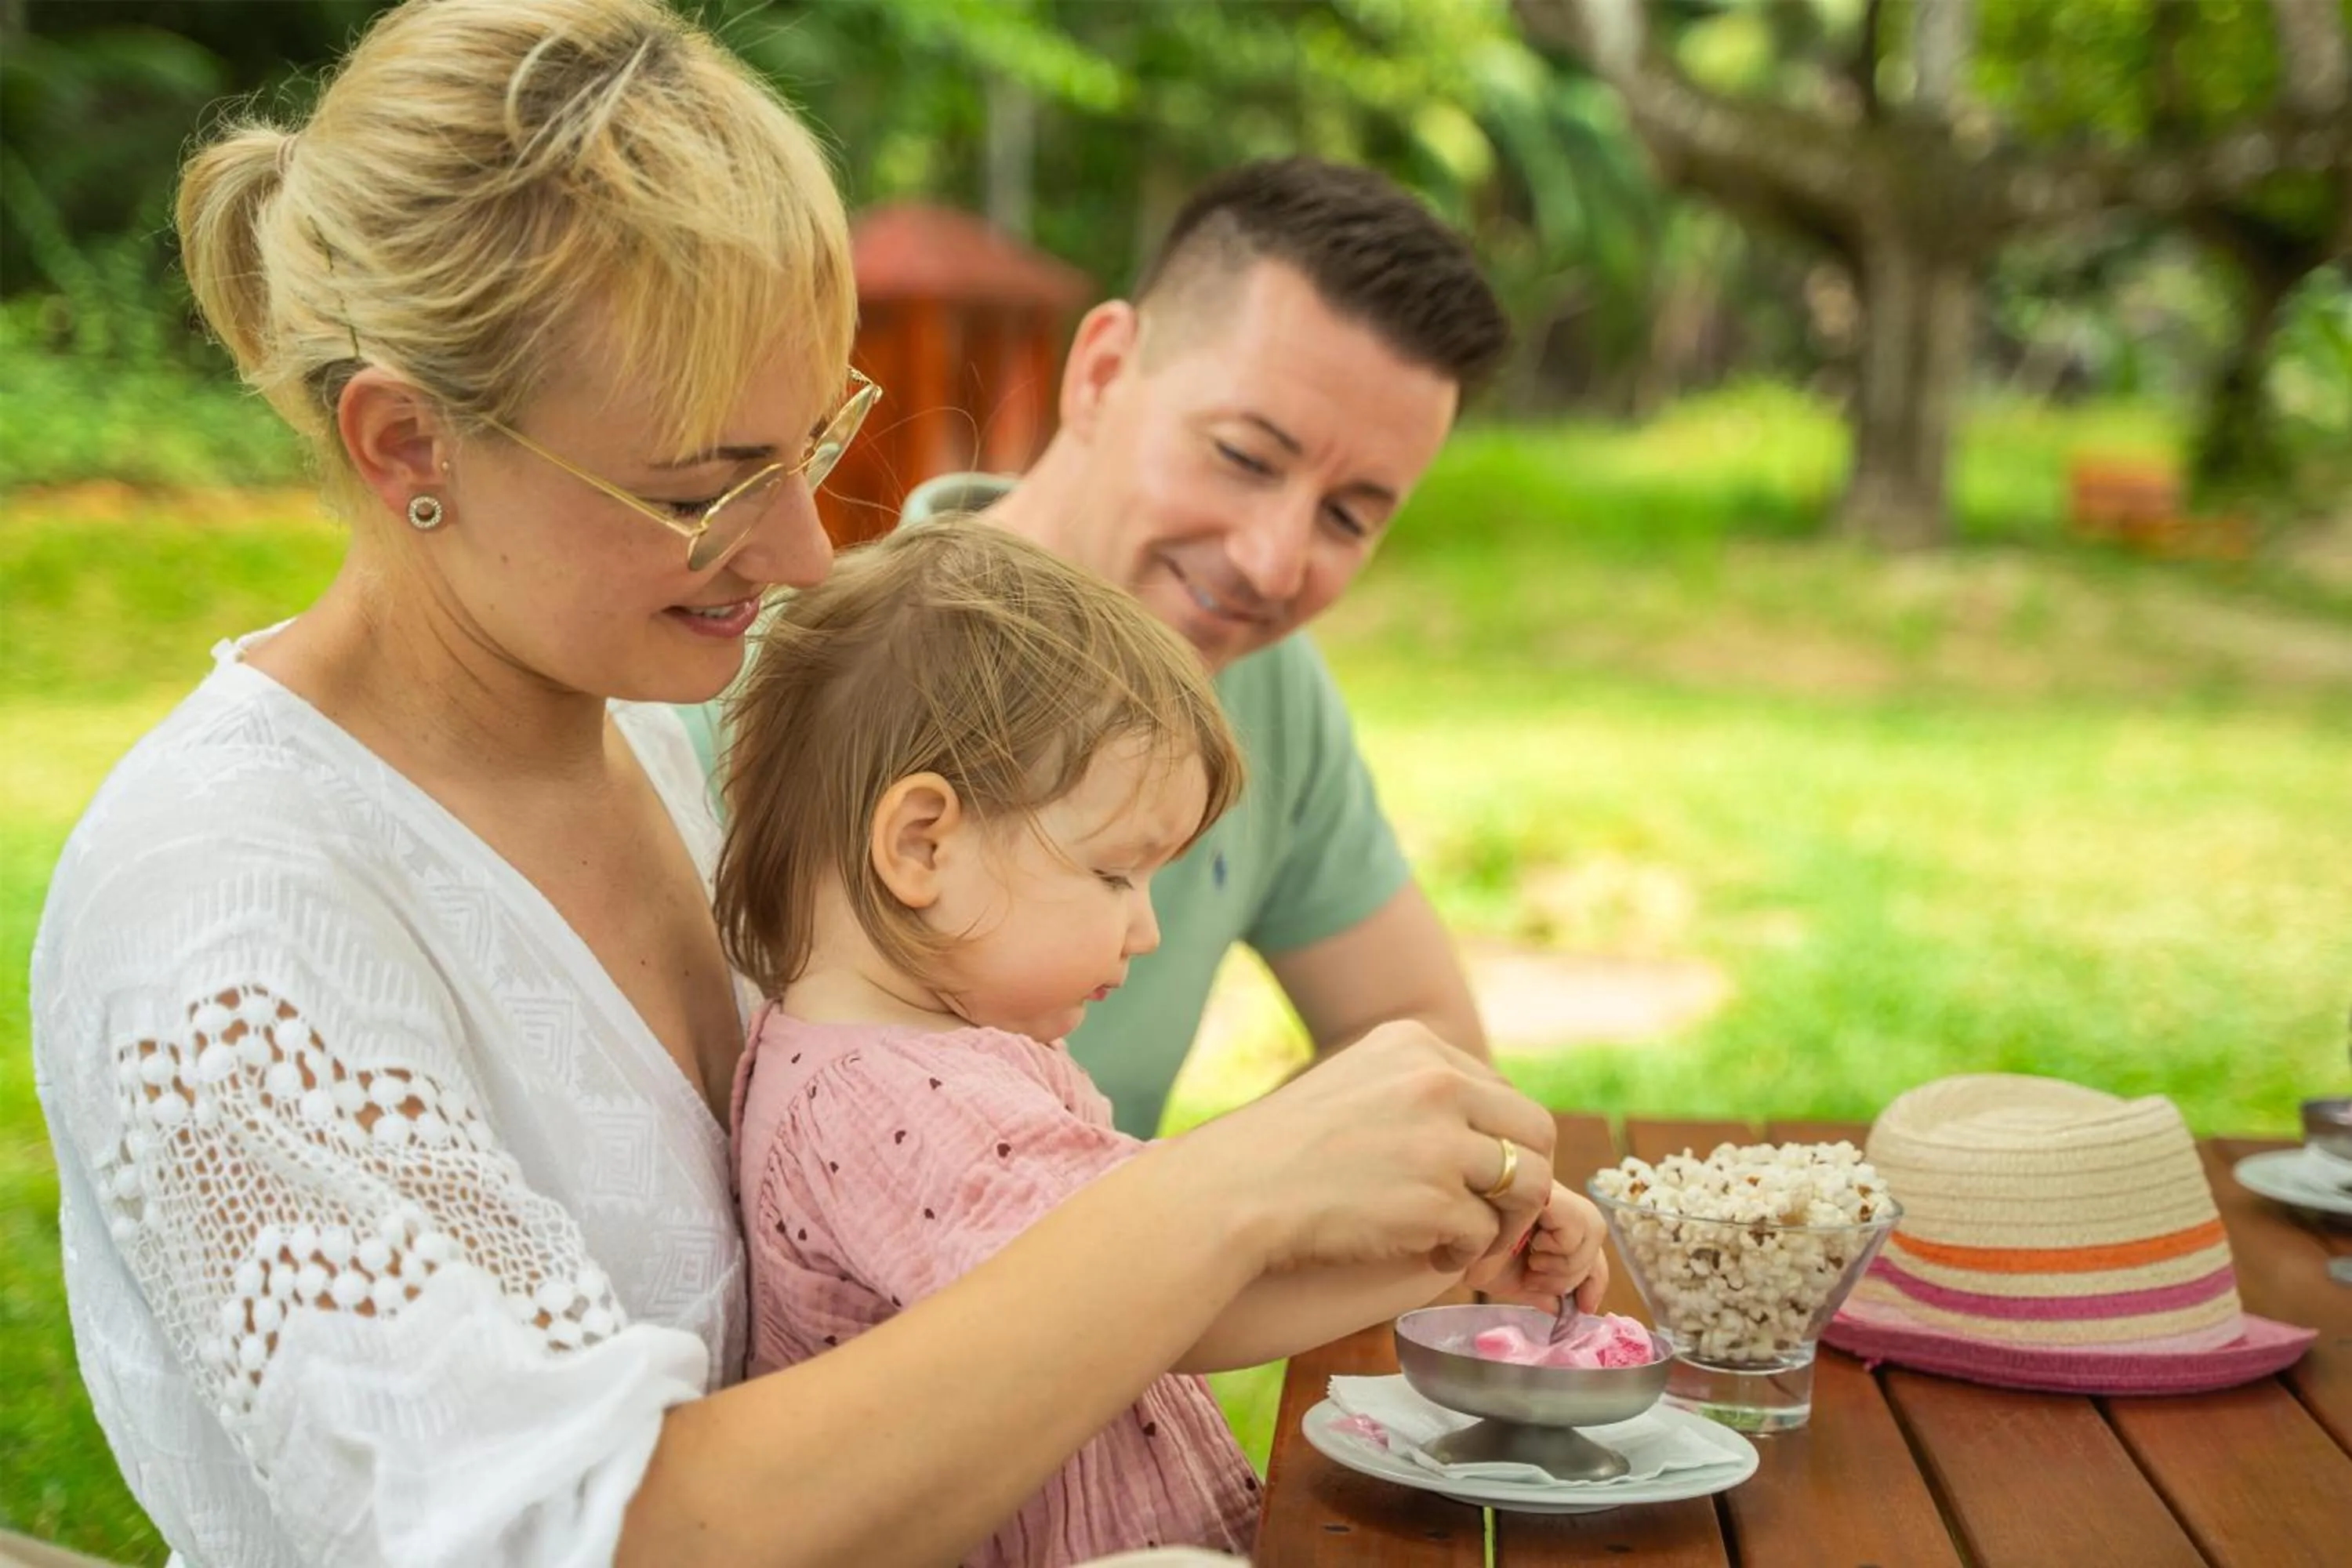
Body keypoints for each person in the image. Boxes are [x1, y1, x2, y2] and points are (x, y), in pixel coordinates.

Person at [28, 2, 1564, 1564]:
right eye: (705, 492)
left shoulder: (650, 747)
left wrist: (1368, 1216)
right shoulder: (225, 919)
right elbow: (571, 1535)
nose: (804, 553)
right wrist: (1223, 1199)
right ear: (408, 442)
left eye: (814, 446)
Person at [715, 524, 1610, 1566]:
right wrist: (1454, 1248)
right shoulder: (900, 1107)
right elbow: (1189, 1300)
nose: (1146, 929)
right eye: (1112, 875)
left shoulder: (906, 1061)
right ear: (922, 844)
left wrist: (1450, 1251)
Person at [687, 158, 1513, 1138]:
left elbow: (1423, 1033)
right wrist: (1206, 1209)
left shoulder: (1261, 675)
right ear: (1103, 371)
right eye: (1244, 457)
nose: (1270, 560)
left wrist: (1172, 1206)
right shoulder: (784, 685)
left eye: (1347, 516)